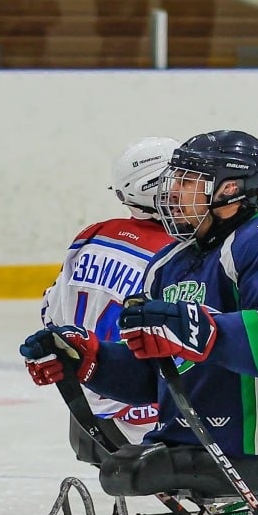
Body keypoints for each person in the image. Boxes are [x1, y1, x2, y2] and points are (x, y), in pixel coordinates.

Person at [20, 130, 258, 501]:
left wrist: (194, 329)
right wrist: (91, 361)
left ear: (229, 190)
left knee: (131, 468)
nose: (173, 193)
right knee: (120, 470)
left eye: (188, 181)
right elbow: (158, 375)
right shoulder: (168, 262)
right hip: (184, 434)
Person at [39, 137, 177, 462]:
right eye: (183, 178)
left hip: (88, 419)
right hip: (149, 421)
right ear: (159, 187)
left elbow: (50, 314)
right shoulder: (177, 253)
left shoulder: (91, 236)